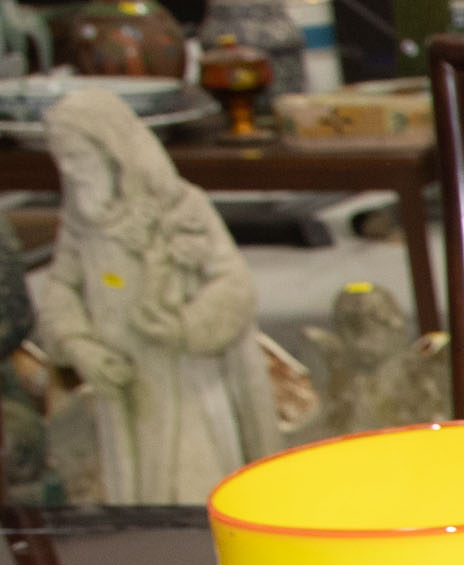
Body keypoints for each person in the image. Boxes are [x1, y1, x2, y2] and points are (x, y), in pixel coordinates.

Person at [27, 86, 278, 503]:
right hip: (125, 386)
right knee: (137, 492)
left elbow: (233, 283)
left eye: (76, 157)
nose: (70, 171)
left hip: (185, 381)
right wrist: (79, 345)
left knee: (194, 486)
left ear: (111, 152)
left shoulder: (179, 205)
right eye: (62, 161)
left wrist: (186, 325)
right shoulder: (82, 224)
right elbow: (61, 289)